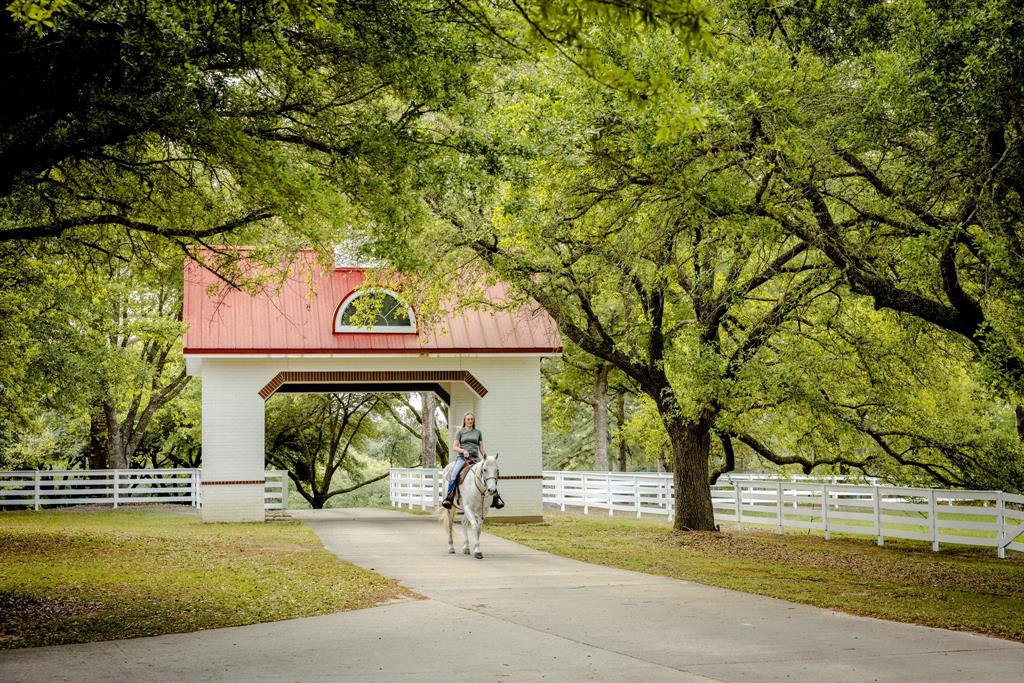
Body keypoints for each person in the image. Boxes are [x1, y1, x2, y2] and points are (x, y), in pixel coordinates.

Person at [442, 411, 500, 509]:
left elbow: (481, 447)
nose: (470, 421)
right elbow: (454, 447)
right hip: (462, 458)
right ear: (465, 420)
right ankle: (449, 498)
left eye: (471, 419)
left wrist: (486, 458)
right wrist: (463, 450)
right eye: (468, 419)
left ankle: (495, 498)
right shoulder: (460, 432)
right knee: (454, 474)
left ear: (473, 421)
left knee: (489, 473)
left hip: (475, 458)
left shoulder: (478, 432)